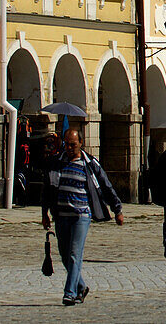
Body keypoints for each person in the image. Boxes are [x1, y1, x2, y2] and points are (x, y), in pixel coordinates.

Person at [41, 128, 124, 306]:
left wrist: (117, 209)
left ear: (81, 143)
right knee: (64, 255)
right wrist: (44, 213)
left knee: (74, 254)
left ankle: (69, 293)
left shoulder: (89, 164)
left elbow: (106, 185)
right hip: (61, 215)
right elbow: (47, 189)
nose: (69, 148)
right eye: (67, 144)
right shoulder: (57, 163)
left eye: (73, 144)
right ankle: (81, 286)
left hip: (81, 216)